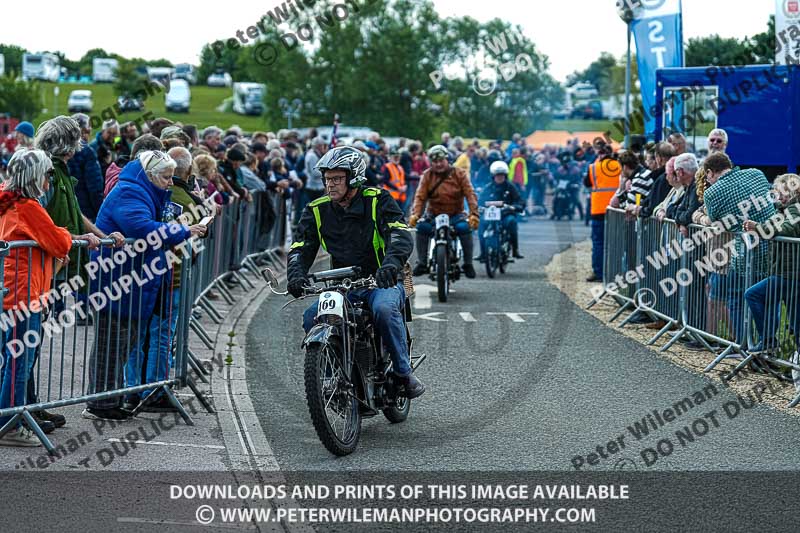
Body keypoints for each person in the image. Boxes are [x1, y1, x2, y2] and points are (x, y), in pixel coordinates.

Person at [286, 146, 423, 397]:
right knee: (311, 316)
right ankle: (331, 375)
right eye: (327, 179)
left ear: (354, 178)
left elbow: (400, 235)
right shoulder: (316, 209)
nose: (330, 185)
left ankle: (404, 374)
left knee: (384, 309)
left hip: (381, 280)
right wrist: (296, 274)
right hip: (343, 285)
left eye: (337, 179)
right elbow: (300, 247)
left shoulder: (378, 200)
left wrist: (390, 265)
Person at [84, 151, 207, 420]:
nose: (170, 182)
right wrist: (185, 230)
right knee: (111, 345)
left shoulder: (142, 190)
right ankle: (100, 404)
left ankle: (110, 399)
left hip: (129, 281)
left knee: (122, 344)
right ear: (150, 175)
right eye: (166, 177)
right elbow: (143, 228)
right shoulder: (130, 192)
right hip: (117, 282)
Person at [0, 149, 73, 447]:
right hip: (23, 293)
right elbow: (58, 241)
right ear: (33, 177)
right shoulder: (27, 207)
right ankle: (10, 425)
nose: (48, 181)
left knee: (12, 360)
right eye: (46, 175)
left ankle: (9, 419)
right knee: (19, 362)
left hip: (13, 290)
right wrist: (64, 233)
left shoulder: (7, 201)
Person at [702, 152, 775, 345]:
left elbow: (715, 221)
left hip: (743, 253)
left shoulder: (712, 192)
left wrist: (701, 218)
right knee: (770, 298)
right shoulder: (756, 173)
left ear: (710, 172)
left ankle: (744, 344)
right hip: (773, 248)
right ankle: (768, 345)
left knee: (736, 298)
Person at [743, 174, 800, 353]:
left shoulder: (795, 208)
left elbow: (788, 229)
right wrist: (757, 228)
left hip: (789, 272)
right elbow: (772, 226)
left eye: (783, 191)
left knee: (753, 294)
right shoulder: (782, 210)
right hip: (786, 271)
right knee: (796, 320)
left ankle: (768, 340)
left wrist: (758, 228)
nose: (779, 194)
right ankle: (773, 344)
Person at [409, 145, 479, 278]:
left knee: (465, 228)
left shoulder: (460, 174)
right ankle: (422, 262)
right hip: (433, 215)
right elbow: (420, 197)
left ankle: (468, 264)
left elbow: (470, 194)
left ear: (447, 160)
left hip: (456, 215)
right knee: (422, 227)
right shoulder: (427, 175)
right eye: (435, 162)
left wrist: (474, 214)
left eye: (441, 160)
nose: (438, 164)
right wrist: (416, 214)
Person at [583, 145, 621, 282]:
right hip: (617, 209)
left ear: (599, 154)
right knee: (616, 242)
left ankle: (598, 272)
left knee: (598, 242)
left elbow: (587, 183)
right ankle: (615, 273)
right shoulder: (619, 166)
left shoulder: (594, 167)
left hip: (598, 209)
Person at [476, 161, 524, 262]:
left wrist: (514, 207)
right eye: (497, 175)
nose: (500, 177)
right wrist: (478, 207)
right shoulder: (488, 188)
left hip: (505, 215)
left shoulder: (510, 187)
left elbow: (519, 200)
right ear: (493, 176)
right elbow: (480, 201)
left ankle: (515, 250)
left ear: (505, 175)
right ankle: (483, 253)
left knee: (512, 222)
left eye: (502, 175)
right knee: (481, 224)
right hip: (490, 215)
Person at [67, 113, 105, 221]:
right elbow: (95, 188)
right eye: (87, 132)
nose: (88, 136)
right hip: (86, 212)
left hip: (66, 210)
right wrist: (101, 212)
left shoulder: (59, 150)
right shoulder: (88, 152)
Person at [303, 137, 328, 204]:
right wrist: (326, 173)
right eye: (322, 145)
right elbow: (314, 173)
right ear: (318, 146)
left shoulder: (314, 154)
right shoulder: (312, 156)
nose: (323, 147)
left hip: (317, 186)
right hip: (314, 187)